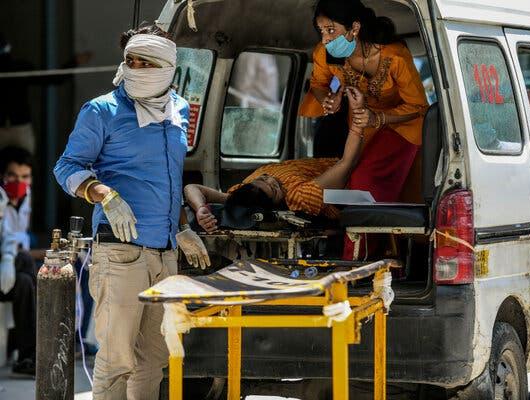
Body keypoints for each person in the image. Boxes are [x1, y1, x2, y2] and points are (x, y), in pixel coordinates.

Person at [54, 24, 210, 399]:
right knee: (117, 360)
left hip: (165, 252)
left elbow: (171, 178)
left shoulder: (179, 110)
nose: (137, 68)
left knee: (154, 360)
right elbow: (66, 167)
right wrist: (102, 192)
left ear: (168, 67)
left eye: (147, 62)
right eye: (131, 61)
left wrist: (183, 227)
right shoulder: (102, 111)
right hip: (120, 253)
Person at [299, 0, 429, 258]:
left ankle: (357, 261)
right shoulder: (325, 54)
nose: (325, 39)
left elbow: (418, 106)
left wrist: (378, 118)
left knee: (364, 184)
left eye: (331, 30)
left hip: (401, 127)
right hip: (361, 124)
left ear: (354, 28)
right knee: (350, 183)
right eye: (321, 31)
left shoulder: (395, 57)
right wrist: (331, 97)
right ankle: (375, 254)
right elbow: (319, 83)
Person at [185, 87, 367, 233]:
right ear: (275, 204)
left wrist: (201, 208)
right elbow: (347, 162)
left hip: (317, 158)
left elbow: (192, 188)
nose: (271, 180)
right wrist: (359, 117)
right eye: (274, 188)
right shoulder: (299, 196)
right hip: (350, 161)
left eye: (263, 179)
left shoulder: (246, 191)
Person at [0, 146, 37, 377]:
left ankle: (27, 357)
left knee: (24, 282)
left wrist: (8, 256)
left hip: (9, 270)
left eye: (25, 177)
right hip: (9, 263)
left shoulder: (25, 199)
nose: (19, 181)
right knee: (24, 261)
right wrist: (8, 256)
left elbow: (13, 238)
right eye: (12, 175)